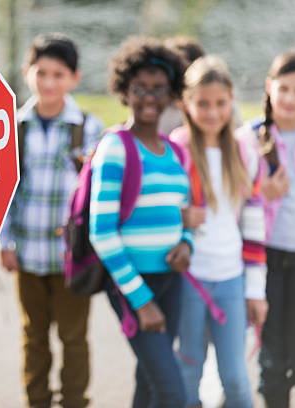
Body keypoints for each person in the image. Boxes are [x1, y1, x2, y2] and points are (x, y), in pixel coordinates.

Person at [0, 33, 103, 408]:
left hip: (71, 257)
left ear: (74, 78)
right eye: (41, 73)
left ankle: (75, 400)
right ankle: (37, 400)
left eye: (58, 74)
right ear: (27, 72)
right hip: (27, 252)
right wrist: (5, 242)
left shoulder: (87, 127)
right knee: (34, 336)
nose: (48, 82)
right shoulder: (13, 127)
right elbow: (4, 191)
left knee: (74, 338)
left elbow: (96, 194)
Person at [88, 36, 190, 407]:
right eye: (140, 88)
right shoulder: (115, 147)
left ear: (171, 92)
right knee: (173, 392)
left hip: (172, 282)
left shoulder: (175, 150)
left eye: (158, 88)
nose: (149, 97)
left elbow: (186, 213)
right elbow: (102, 232)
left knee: (149, 382)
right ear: (123, 90)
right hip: (134, 287)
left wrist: (187, 243)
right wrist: (141, 301)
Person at [170, 55, 267, 408]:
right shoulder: (177, 148)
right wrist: (178, 214)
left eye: (220, 103)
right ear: (186, 104)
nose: (212, 112)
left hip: (231, 278)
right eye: (203, 104)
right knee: (188, 372)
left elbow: (254, 223)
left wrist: (255, 289)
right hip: (189, 278)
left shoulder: (244, 151)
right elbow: (155, 207)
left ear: (232, 101)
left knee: (237, 381)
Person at [242, 50, 295, 408]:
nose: (290, 98)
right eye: (283, 88)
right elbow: (233, 197)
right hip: (265, 257)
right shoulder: (249, 138)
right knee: (271, 355)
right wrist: (263, 193)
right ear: (269, 86)